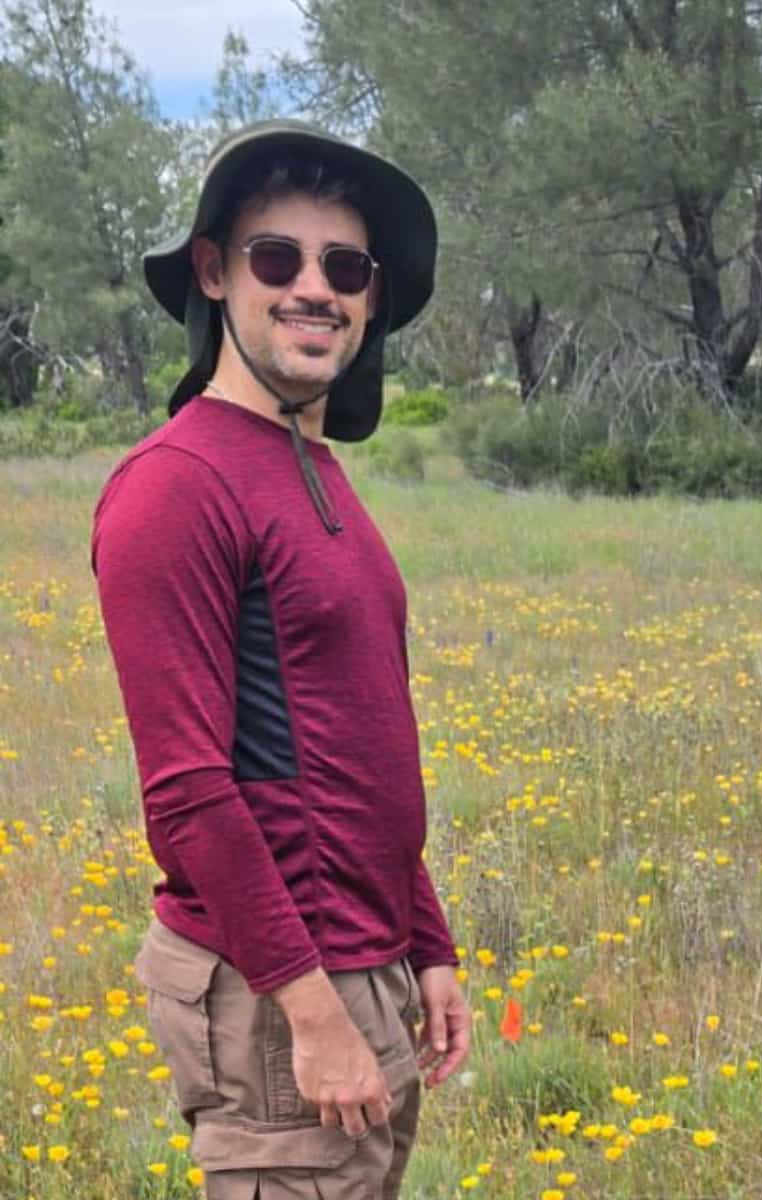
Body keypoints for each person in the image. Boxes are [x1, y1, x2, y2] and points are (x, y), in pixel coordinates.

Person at [90, 120, 470, 1200]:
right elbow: (190, 789)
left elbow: (358, 741)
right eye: (278, 259)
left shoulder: (309, 465)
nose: (316, 289)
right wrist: (310, 1012)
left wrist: (425, 942)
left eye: (345, 267)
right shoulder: (178, 488)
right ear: (213, 272)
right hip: (277, 988)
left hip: (363, 959)